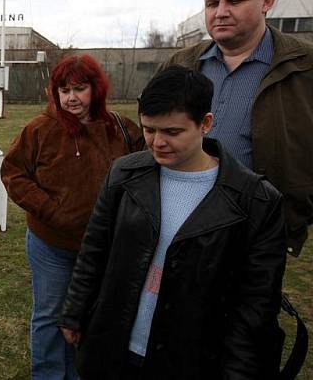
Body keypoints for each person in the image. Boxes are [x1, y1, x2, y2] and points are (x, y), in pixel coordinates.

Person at [59, 66, 287, 380]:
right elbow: (95, 250)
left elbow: (256, 304)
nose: (157, 142)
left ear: (206, 123)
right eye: (149, 129)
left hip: (194, 359)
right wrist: (74, 313)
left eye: (172, 132)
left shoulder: (258, 201)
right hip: (117, 349)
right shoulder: (124, 174)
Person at [1, 54, 143, 380]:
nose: (71, 98)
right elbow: (13, 173)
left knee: (88, 315)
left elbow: (145, 169)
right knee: (51, 315)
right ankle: (49, 374)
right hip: (51, 244)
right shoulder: (40, 128)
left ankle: (79, 371)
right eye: (63, 90)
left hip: (101, 247)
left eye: (79, 88)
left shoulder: (120, 129)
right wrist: (53, 210)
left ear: (97, 89)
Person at [160, 0, 313, 257]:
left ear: (267, 1)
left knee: (248, 304)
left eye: (235, 0)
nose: (221, 12)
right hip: (181, 221)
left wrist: (297, 210)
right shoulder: (180, 65)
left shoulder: (305, 68)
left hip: (258, 232)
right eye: (212, 3)